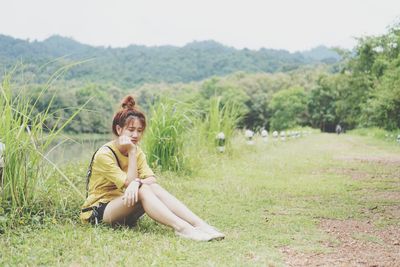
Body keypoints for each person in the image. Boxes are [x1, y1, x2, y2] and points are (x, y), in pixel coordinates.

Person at [80, 95, 224, 241]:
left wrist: (137, 181)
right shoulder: (105, 154)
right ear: (119, 129)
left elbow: (151, 179)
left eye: (139, 130)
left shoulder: (136, 151)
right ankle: (182, 229)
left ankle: (199, 225)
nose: (136, 135)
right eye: (131, 130)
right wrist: (132, 156)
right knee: (142, 188)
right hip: (98, 212)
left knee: (150, 187)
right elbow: (130, 183)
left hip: (122, 207)